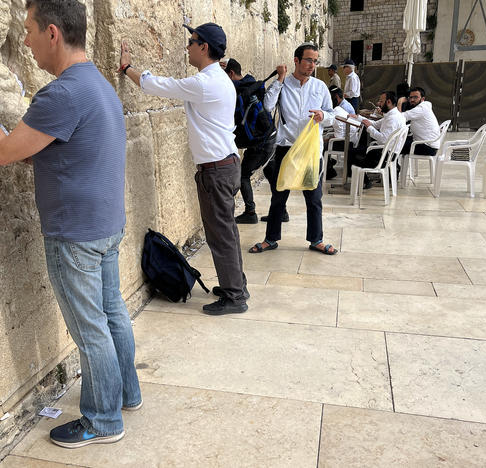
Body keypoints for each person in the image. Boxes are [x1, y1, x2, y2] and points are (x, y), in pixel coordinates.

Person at [0, 0, 141, 448]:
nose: (26, 42)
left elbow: (4, 150)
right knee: (112, 316)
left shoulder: (63, 94)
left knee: (91, 329)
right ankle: (126, 394)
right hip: (106, 225)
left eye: (29, 30)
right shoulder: (99, 85)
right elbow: (49, 147)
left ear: (53, 33)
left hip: (76, 234)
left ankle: (103, 419)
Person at [119, 23, 249, 315]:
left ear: (204, 47)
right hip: (224, 165)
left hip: (216, 171)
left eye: (192, 41)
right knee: (226, 231)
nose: (187, 46)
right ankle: (236, 284)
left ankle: (235, 296)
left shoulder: (204, 83)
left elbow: (158, 85)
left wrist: (128, 68)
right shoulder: (219, 79)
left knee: (220, 235)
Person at [248, 42, 338, 256]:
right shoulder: (284, 84)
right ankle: (271, 239)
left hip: (310, 150)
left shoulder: (319, 87)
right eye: (308, 60)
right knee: (279, 196)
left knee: (314, 198)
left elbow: (332, 115)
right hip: (286, 147)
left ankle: (316, 239)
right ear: (296, 60)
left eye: (315, 61)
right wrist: (279, 79)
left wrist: (323, 116)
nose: (312, 65)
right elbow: (268, 107)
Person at [225, 58, 275, 224]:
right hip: (270, 137)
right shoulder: (251, 84)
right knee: (271, 172)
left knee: (243, 176)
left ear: (231, 73)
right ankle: (281, 212)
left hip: (261, 143)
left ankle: (250, 212)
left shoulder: (239, 91)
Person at [347, 90, 406, 189]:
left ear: (388, 102)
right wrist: (358, 118)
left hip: (385, 155)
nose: (378, 104)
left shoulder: (392, 119)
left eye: (381, 101)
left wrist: (369, 128)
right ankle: (361, 181)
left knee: (353, 154)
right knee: (356, 150)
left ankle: (363, 182)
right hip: (387, 152)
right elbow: (375, 124)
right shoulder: (392, 114)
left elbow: (383, 139)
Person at [397, 87, 440, 165]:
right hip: (427, 143)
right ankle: (395, 170)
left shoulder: (421, 109)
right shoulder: (424, 106)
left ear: (422, 98)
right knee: (398, 141)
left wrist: (400, 102)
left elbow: (398, 118)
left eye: (415, 97)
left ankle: (394, 171)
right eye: (410, 97)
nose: (412, 100)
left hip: (427, 147)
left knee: (393, 145)